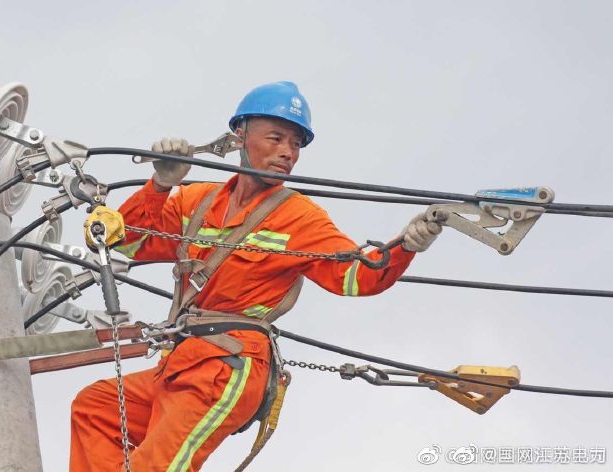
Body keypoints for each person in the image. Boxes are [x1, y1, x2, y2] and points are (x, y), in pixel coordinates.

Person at [70, 81, 442, 471]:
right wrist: (161, 184)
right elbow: (128, 243)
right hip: (179, 363)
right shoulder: (197, 202)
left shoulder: (299, 217)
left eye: (295, 144)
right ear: (239, 136)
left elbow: (357, 277)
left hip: (226, 366)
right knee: (96, 408)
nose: (287, 153)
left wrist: (405, 245)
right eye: (276, 138)